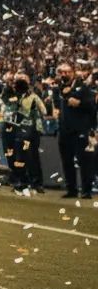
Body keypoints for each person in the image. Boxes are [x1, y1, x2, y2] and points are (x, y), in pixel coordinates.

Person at [54, 62, 96, 199]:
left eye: (67, 72)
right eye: (62, 72)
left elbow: (92, 107)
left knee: (85, 162)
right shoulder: (59, 88)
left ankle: (86, 190)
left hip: (80, 130)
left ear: (73, 72)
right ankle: (71, 189)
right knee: (67, 162)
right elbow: (57, 108)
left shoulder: (83, 88)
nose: (64, 75)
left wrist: (80, 104)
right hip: (65, 130)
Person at [8, 73, 48, 194]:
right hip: (24, 130)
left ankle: (32, 183)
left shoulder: (33, 97)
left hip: (30, 130)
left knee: (29, 156)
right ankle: (26, 182)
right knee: (24, 157)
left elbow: (44, 111)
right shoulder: (18, 98)